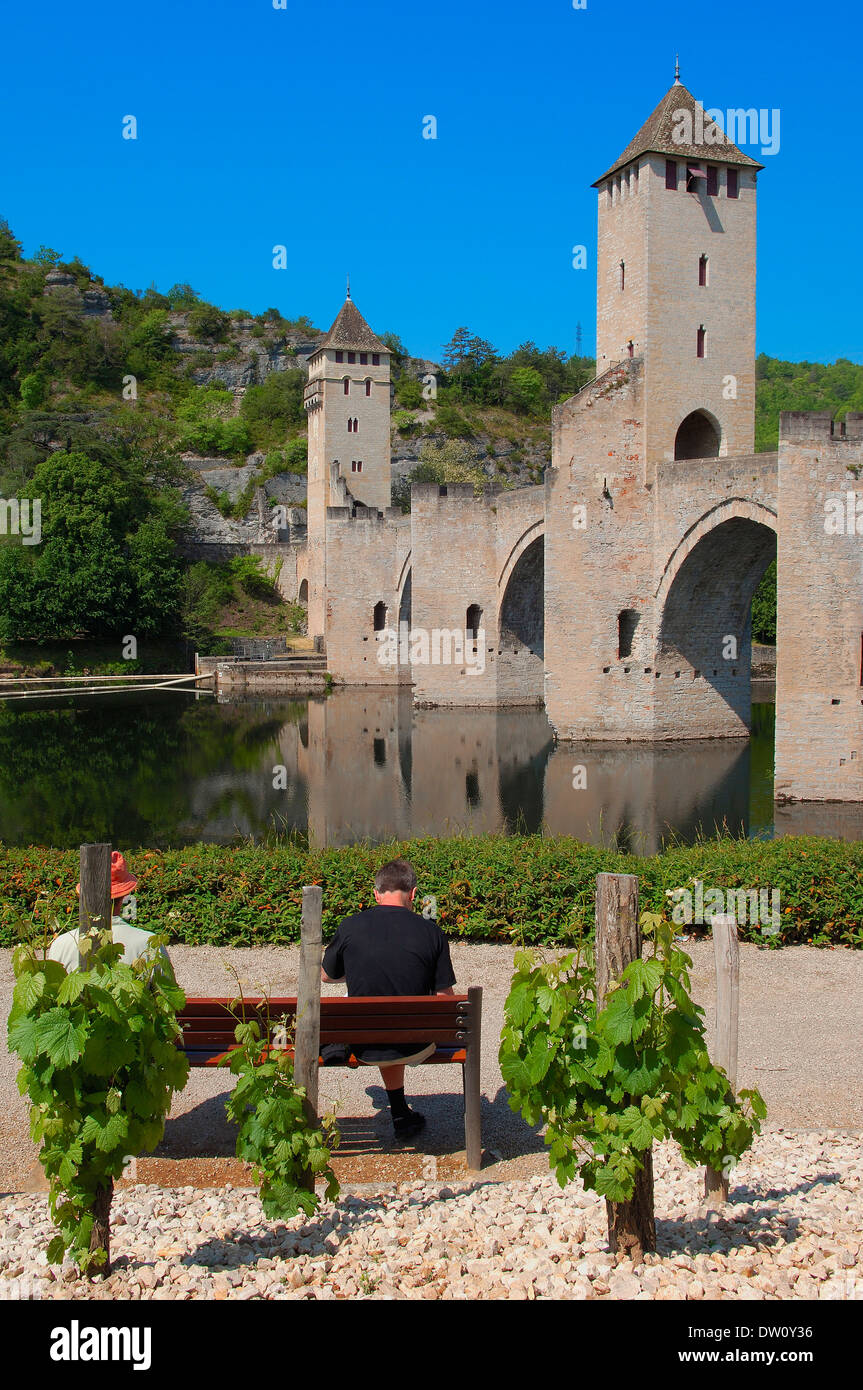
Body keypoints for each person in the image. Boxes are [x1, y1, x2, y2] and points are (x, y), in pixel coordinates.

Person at [321, 858, 456, 1141]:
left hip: (364, 1041)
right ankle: (399, 1110)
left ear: (376, 894)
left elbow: (326, 976)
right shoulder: (432, 932)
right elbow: (445, 999)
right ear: (414, 894)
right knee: (397, 1011)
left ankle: (397, 1108)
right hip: (417, 1041)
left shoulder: (350, 926)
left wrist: (359, 970)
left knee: (373, 1006)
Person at [48, 850, 173, 977]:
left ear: (85, 895)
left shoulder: (60, 944)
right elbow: (166, 993)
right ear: (125, 895)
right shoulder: (148, 943)